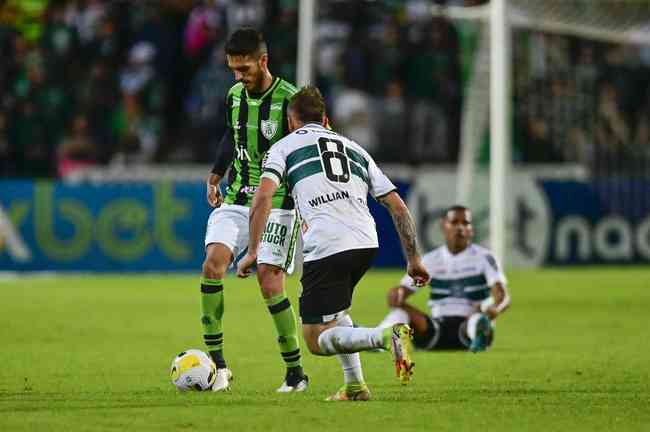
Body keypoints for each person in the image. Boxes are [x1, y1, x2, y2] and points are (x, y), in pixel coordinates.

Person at [237, 86, 430, 401]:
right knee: (337, 313)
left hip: (327, 245)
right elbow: (397, 205)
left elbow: (264, 195)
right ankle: (355, 386)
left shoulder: (284, 147)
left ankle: (384, 337)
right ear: (325, 119)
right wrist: (414, 259)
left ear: (290, 122)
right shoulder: (354, 147)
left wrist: (254, 250)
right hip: (366, 242)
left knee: (315, 339)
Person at [200, 28, 307, 393]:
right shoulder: (234, 96)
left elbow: (313, 148)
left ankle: (295, 372)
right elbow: (232, 136)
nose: (238, 76)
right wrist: (216, 174)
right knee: (213, 264)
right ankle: (217, 364)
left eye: (244, 68)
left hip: (279, 203)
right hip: (237, 196)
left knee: (268, 279)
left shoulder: (292, 100)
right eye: (233, 69)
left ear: (263, 61)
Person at [378, 206, 511, 352]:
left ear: (471, 229)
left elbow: (502, 296)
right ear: (444, 226)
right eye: (454, 222)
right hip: (436, 329)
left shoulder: (485, 257)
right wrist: (397, 294)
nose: (460, 227)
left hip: (467, 327)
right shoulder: (430, 260)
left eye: (465, 223)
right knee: (400, 313)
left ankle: (479, 337)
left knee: (477, 321)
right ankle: (376, 341)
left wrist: (495, 309)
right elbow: (403, 290)